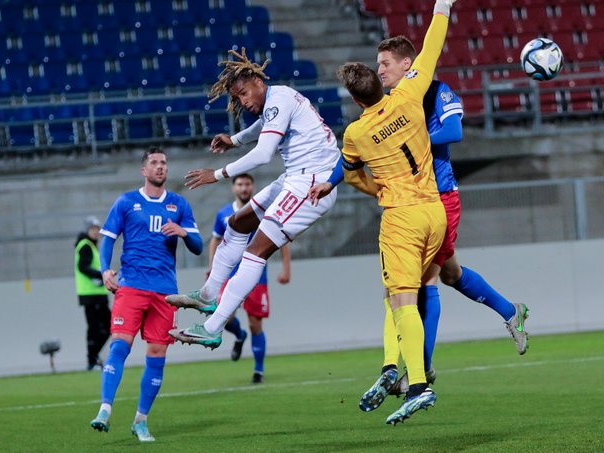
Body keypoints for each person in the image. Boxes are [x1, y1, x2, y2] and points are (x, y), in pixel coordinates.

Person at [311, 19, 530, 412]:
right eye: (377, 66)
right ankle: (509, 312)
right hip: (425, 201)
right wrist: (333, 180)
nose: (380, 70)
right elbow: (351, 162)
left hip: (440, 195)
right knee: (449, 275)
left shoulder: (430, 92)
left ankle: (419, 372)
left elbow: (455, 132)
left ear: (406, 63)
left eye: (385, 64)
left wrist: (405, 138)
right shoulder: (398, 102)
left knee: (421, 284)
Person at [331, 0, 456, 425]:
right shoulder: (410, 93)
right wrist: (442, 7)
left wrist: (377, 189)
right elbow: (431, 48)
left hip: (400, 218)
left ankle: (418, 385)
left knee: (401, 299)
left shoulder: (355, 134)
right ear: (379, 85)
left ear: (353, 96)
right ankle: (388, 368)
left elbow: (349, 176)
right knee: (397, 293)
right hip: (434, 212)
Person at [166, 48, 340, 350]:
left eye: (244, 94)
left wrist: (218, 174)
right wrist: (234, 140)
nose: (243, 103)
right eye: (237, 99)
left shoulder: (279, 100)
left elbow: (263, 153)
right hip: (295, 178)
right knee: (237, 223)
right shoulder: (277, 100)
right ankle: (208, 295)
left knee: (256, 250)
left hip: (313, 184)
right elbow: (262, 129)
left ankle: (213, 326)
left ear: (259, 80)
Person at [89, 147, 203, 442]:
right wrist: (105, 270)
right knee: (119, 346)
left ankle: (141, 420)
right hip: (131, 286)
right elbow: (108, 239)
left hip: (165, 292)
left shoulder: (178, 205)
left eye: (164, 163)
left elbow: (198, 246)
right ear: (144, 170)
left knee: (157, 355)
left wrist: (182, 232)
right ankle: (105, 409)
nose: (160, 167)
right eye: (154, 163)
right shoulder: (127, 202)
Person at [209, 173, 291, 384]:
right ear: (233, 188)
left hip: (256, 275)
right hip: (230, 273)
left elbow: (282, 237)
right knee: (223, 318)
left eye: (247, 184)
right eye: (240, 184)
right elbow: (215, 240)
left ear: (253, 187)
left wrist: (286, 268)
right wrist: (212, 269)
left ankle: (258, 370)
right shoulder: (224, 214)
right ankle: (239, 335)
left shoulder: (265, 211)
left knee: (256, 324)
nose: (244, 188)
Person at [74, 215, 110, 371]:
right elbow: (83, 267)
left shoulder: (93, 246)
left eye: (97, 229)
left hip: (98, 294)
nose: (96, 232)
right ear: (87, 230)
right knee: (95, 328)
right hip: (90, 296)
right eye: (93, 229)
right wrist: (100, 275)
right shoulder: (86, 246)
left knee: (107, 327)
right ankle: (91, 359)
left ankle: (93, 357)